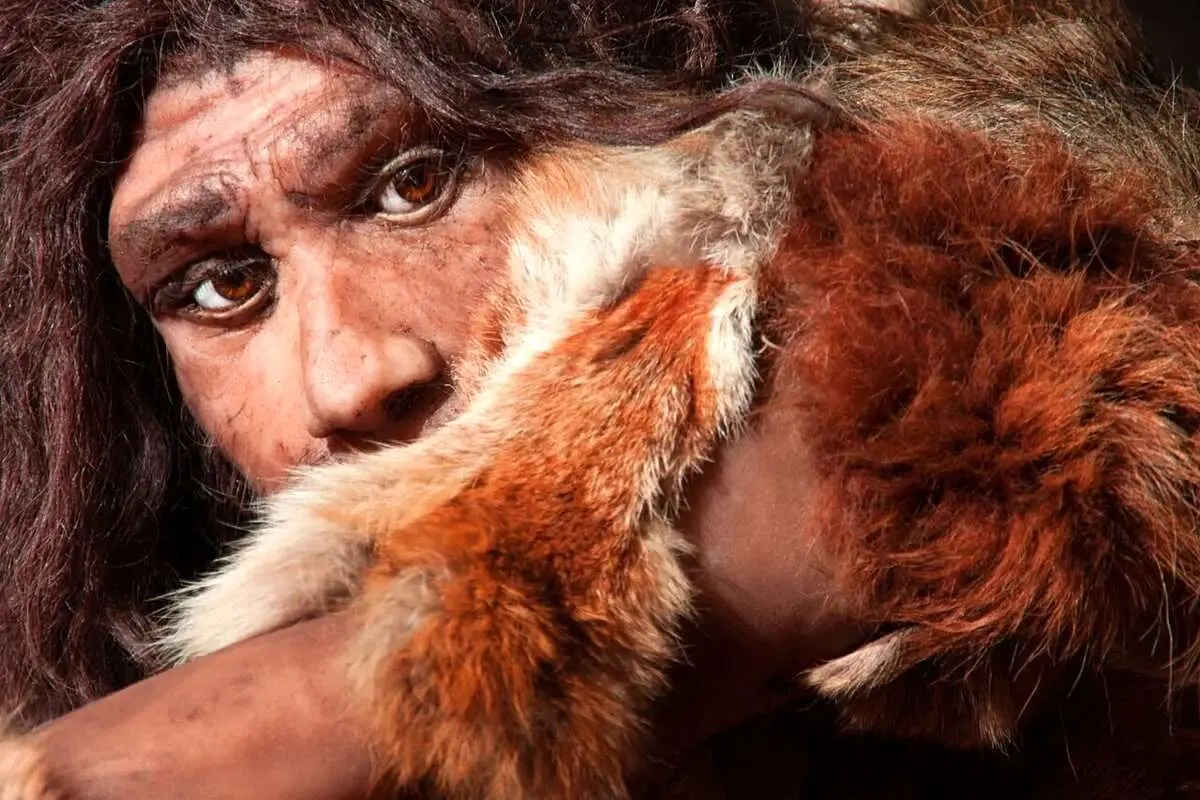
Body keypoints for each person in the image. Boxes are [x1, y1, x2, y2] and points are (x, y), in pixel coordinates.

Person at [2, 0, 1198, 797]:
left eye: (415, 185)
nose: (352, 372)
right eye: (222, 284)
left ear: (635, 137)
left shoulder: (936, 354)